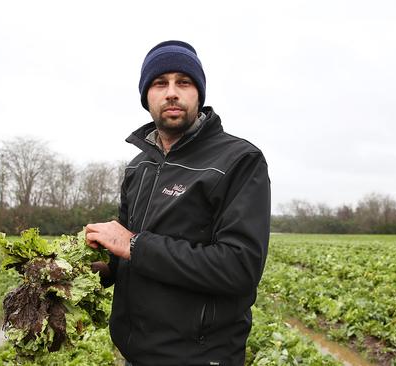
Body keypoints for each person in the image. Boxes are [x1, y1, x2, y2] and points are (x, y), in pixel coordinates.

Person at [85, 40, 271, 366]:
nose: (171, 92)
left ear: (198, 93)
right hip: (136, 353)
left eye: (183, 82)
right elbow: (127, 257)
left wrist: (135, 245)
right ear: (146, 97)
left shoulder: (240, 160)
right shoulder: (137, 168)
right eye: (160, 83)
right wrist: (93, 268)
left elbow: (239, 267)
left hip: (199, 356)